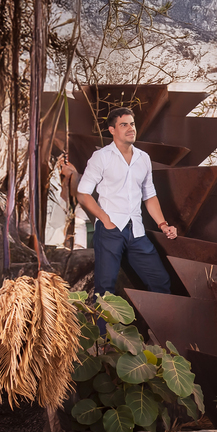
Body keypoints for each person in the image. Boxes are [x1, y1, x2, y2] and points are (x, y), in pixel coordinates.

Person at [76, 107, 178, 298]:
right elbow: (83, 193)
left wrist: (163, 224)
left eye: (132, 124)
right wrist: (105, 220)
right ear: (112, 130)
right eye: (124, 125)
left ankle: (154, 328)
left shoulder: (143, 158)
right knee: (105, 289)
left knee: (160, 281)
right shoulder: (101, 157)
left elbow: (149, 196)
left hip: (137, 231)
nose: (131, 128)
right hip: (109, 231)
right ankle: (103, 329)